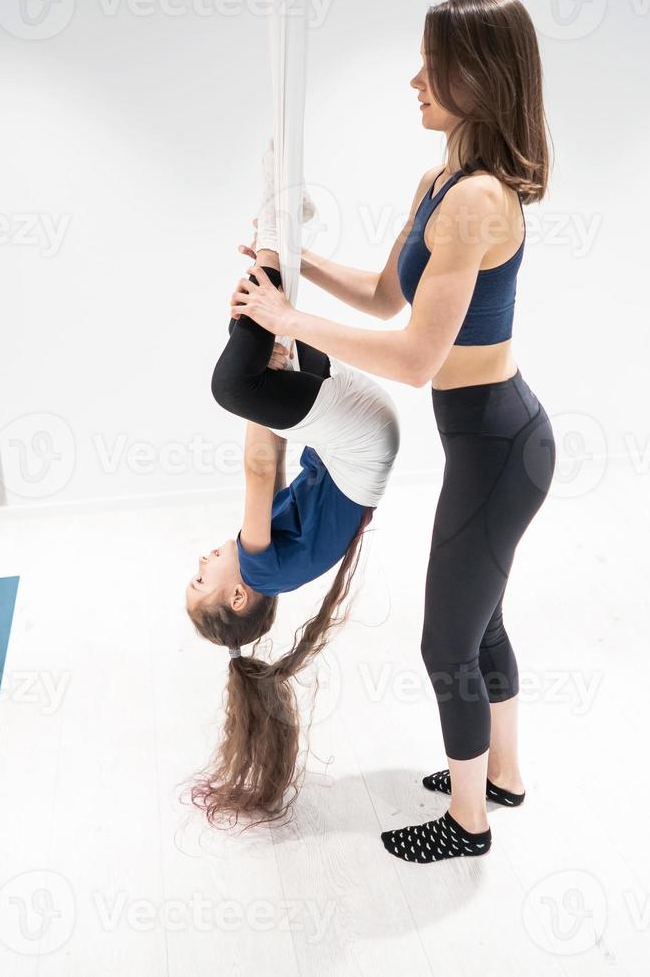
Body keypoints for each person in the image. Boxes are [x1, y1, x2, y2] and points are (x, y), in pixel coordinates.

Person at [230, 0, 556, 862]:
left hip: (502, 448)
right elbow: (385, 297)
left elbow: (414, 358)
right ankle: (504, 774)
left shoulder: (479, 201)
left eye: (431, 65)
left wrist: (288, 322)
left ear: (478, 77)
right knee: (480, 623)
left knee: (445, 638)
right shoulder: (441, 182)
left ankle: (468, 819)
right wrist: (286, 270)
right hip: (490, 443)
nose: (415, 79)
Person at [187, 143, 400, 827]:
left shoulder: (274, 575)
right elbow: (259, 466)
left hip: (363, 439)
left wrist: (268, 355)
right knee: (233, 383)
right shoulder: (258, 564)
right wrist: (258, 389)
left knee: (257, 335)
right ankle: (278, 232)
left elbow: (274, 454)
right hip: (358, 439)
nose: (200, 564)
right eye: (201, 581)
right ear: (238, 594)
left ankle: (282, 226)